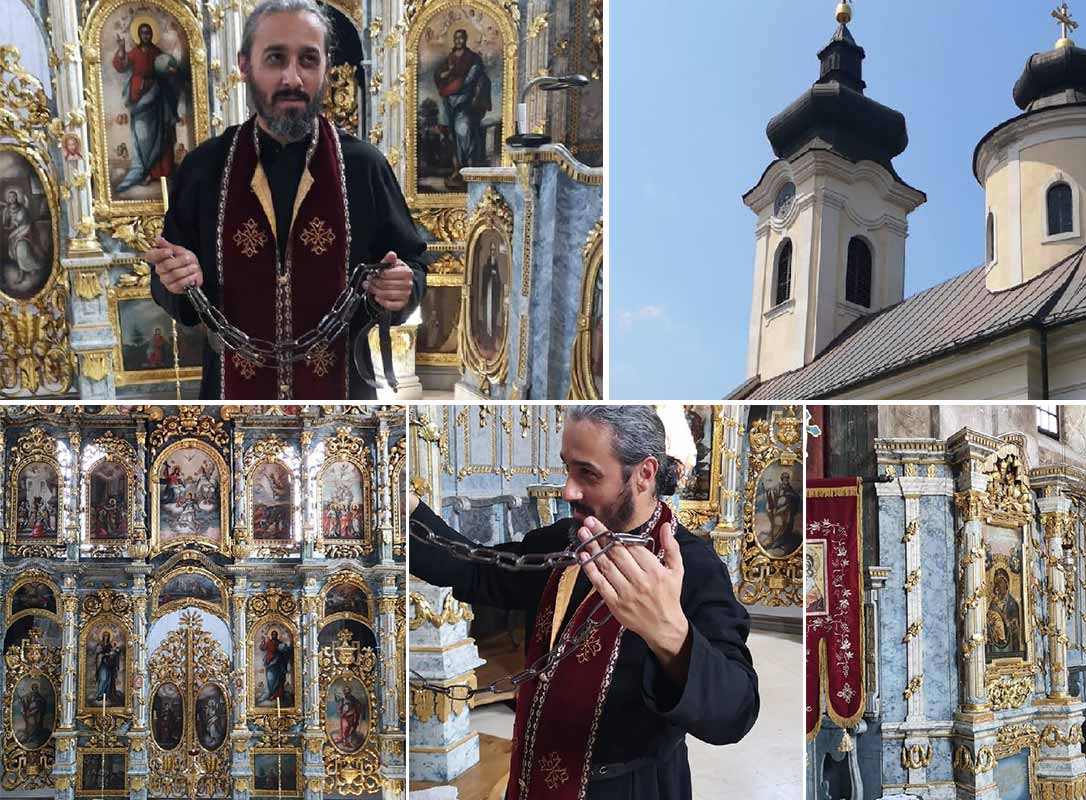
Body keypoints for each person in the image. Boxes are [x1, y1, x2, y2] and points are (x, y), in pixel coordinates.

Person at [408, 406, 759, 800]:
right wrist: (404, 509)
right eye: (567, 469)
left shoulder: (692, 565)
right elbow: (479, 571)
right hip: (532, 782)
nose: (568, 491)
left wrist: (670, 634)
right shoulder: (566, 541)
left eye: (588, 474)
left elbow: (736, 712)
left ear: (644, 474)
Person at [145, 0, 428, 400]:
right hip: (233, 398)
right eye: (275, 58)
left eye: (308, 60)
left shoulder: (364, 167)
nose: (292, 77)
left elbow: (412, 264)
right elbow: (166, 281)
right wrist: (175, 281)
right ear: (245, 65)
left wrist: (404, 287)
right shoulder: (203, 169)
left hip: (342, 399)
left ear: (326, 66)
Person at [112, 22, 181, 192]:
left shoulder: (157, 53)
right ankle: (144, 171)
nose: (145, 35)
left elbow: (166, 67)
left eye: (148, 32)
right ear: (139, 35)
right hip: (139, 95)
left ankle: (159, 172)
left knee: (159, 133)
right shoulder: (135, 52)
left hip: (157, 96)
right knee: (143, 137)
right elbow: (121, 65)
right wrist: (121, 48)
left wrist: (171, 70)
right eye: (142, 33)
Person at [435, 28, 491, 188]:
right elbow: (439, 74)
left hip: (465, 102)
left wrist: (455, 83)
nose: (458, 41)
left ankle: (468, 168)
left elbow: (471, 79)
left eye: (461, 38)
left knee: (463, 132)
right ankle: (457, 169)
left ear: (465, 39)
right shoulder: (450, 58)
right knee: (452, 136)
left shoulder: (473, 58)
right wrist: (444, 76)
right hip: (449, 102)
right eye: (456, 38)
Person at [259, 628, 292, 703]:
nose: (274, 635)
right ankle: (272, 693)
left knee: (279, 680)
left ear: (277, 635)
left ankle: (278, 695)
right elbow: (262, 648)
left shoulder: (280, 643)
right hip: (270, 663)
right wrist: (263, 641)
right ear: (271, 635)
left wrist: (286, 648)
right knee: (270, 679)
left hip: (278, 664)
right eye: (272, 634)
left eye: (275, 634)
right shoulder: (268, 643)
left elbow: (285, 652)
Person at [94, 630, 120, 703]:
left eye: (107, 636)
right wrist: (105, 654)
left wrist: (115, 652)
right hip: (103, 664)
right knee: (103, 678)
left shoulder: (110, 645)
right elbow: (98, 654)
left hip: (109, 665)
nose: (106, 637)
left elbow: (114, 652)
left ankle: (105, 695)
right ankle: (99, 694)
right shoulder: (100, 645)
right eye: (105, 636)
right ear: (102, 637)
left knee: (108, 680)